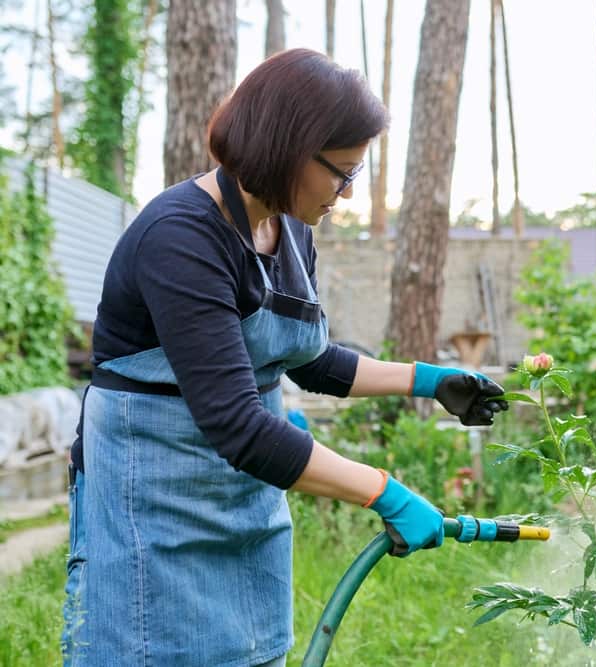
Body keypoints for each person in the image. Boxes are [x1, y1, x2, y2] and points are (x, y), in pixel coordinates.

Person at [61, 48, 507, 667]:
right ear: (289, 148)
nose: (346, 195)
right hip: (154, 501)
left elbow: (312, 360)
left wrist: (430, 380)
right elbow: (239, 427)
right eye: (341, 174)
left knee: (251, 651)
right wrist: (384, 491)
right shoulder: (181, 236)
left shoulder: (292, 229)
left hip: (243, 499)